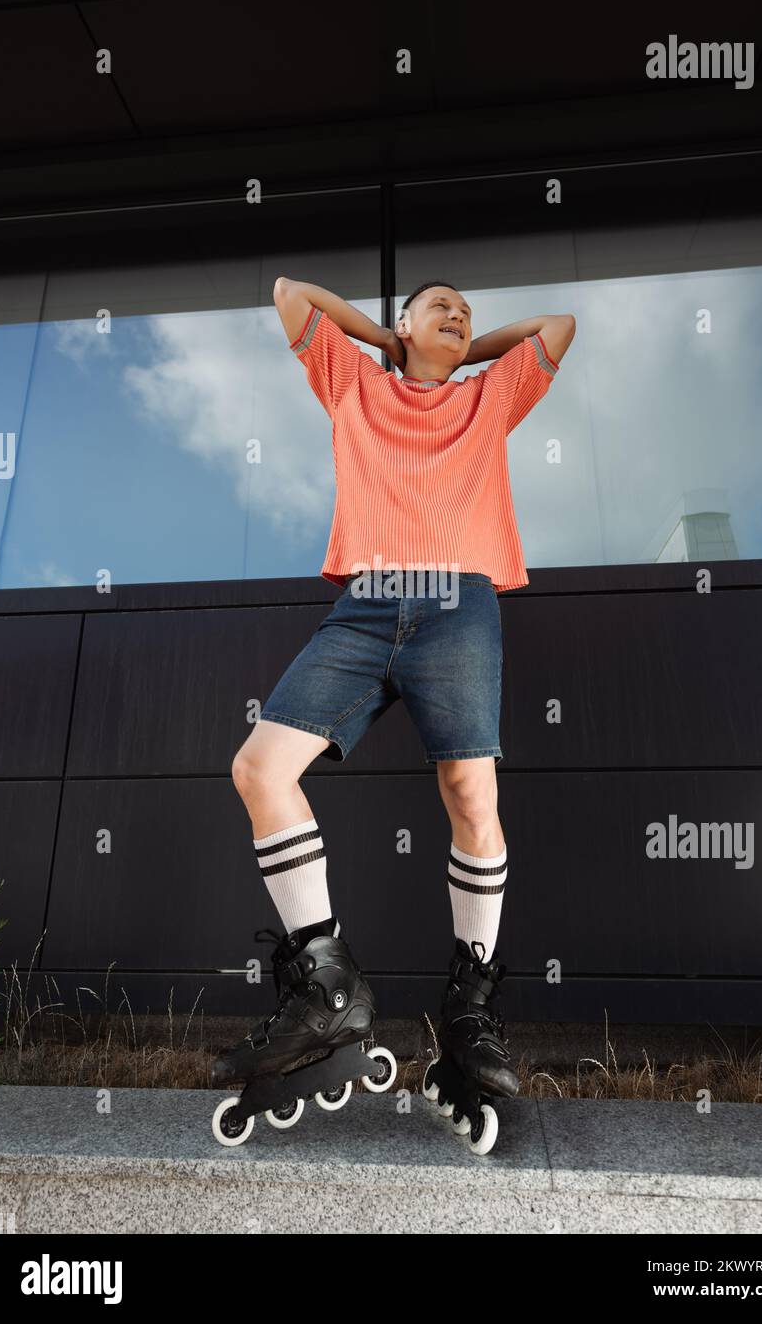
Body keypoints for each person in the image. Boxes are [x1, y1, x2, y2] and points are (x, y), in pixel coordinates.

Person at [221, 278, 576, 1151]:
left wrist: (460, 351)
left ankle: (470, 1006)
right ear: (402, 323)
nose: (458, 315)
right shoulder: (353, 382)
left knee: (470, 794)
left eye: (466, 311)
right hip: (366, 606)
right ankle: (327, 989)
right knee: (259, 769)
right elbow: (290, 294)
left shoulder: (488, 397)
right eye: (439, 307)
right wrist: (384, 342)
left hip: (458, 607)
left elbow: (558, 325)